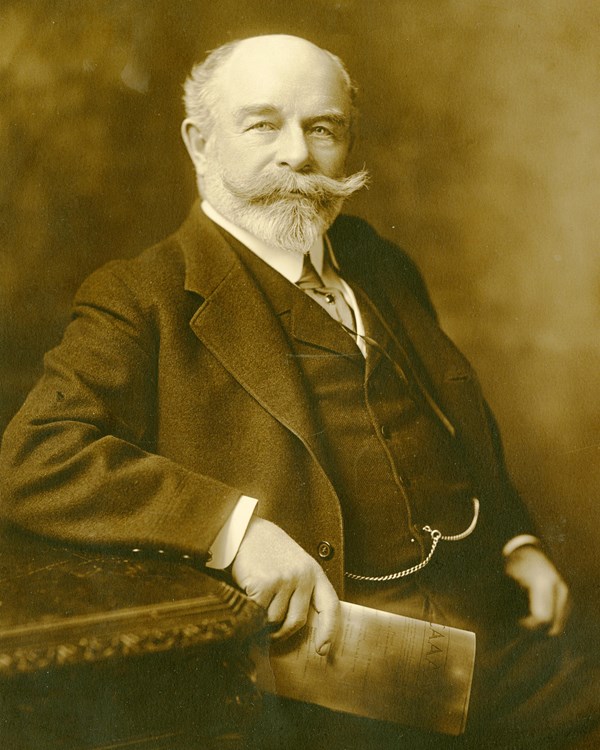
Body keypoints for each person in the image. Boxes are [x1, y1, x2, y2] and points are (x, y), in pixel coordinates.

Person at [0, 34, 597, 749]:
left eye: (323, 128)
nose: (297, 155)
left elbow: (456, 419)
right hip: (335, 667)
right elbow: (35, 457)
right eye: (262, 125)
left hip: (494, 622)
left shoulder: (377, 259)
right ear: (199, 141)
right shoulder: (141, 296)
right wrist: (237, 529)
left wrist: (514, 539)